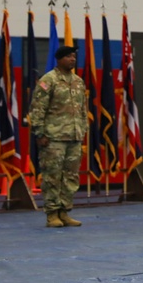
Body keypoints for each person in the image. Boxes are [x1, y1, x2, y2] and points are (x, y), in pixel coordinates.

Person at [29, 45, 87, 228]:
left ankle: (64, 212)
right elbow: (38, 108)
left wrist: (82, 130)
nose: (72, 59)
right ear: (59, 59)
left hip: (74, 136)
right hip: (53, 137)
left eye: (74, 56)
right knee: (52, 176)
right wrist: (39, 133)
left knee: (70, 177)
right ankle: (52, 214)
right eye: (69, 56)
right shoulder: (48, 80)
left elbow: (82, 110)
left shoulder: (78, 81)